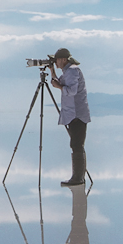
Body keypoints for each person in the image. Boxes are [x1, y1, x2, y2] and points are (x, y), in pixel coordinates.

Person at [50, 47, 89, 188]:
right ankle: (78, 177)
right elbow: (59, 82)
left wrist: (59, 87)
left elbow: (70, 90)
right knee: (76, 144)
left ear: (63, 59)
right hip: (74, 113)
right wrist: (52, 73)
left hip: (77, 114)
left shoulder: (72, 71)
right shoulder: (68, 71)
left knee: (77, 145)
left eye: (56, 61)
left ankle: (78, 178)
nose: (55, 63)